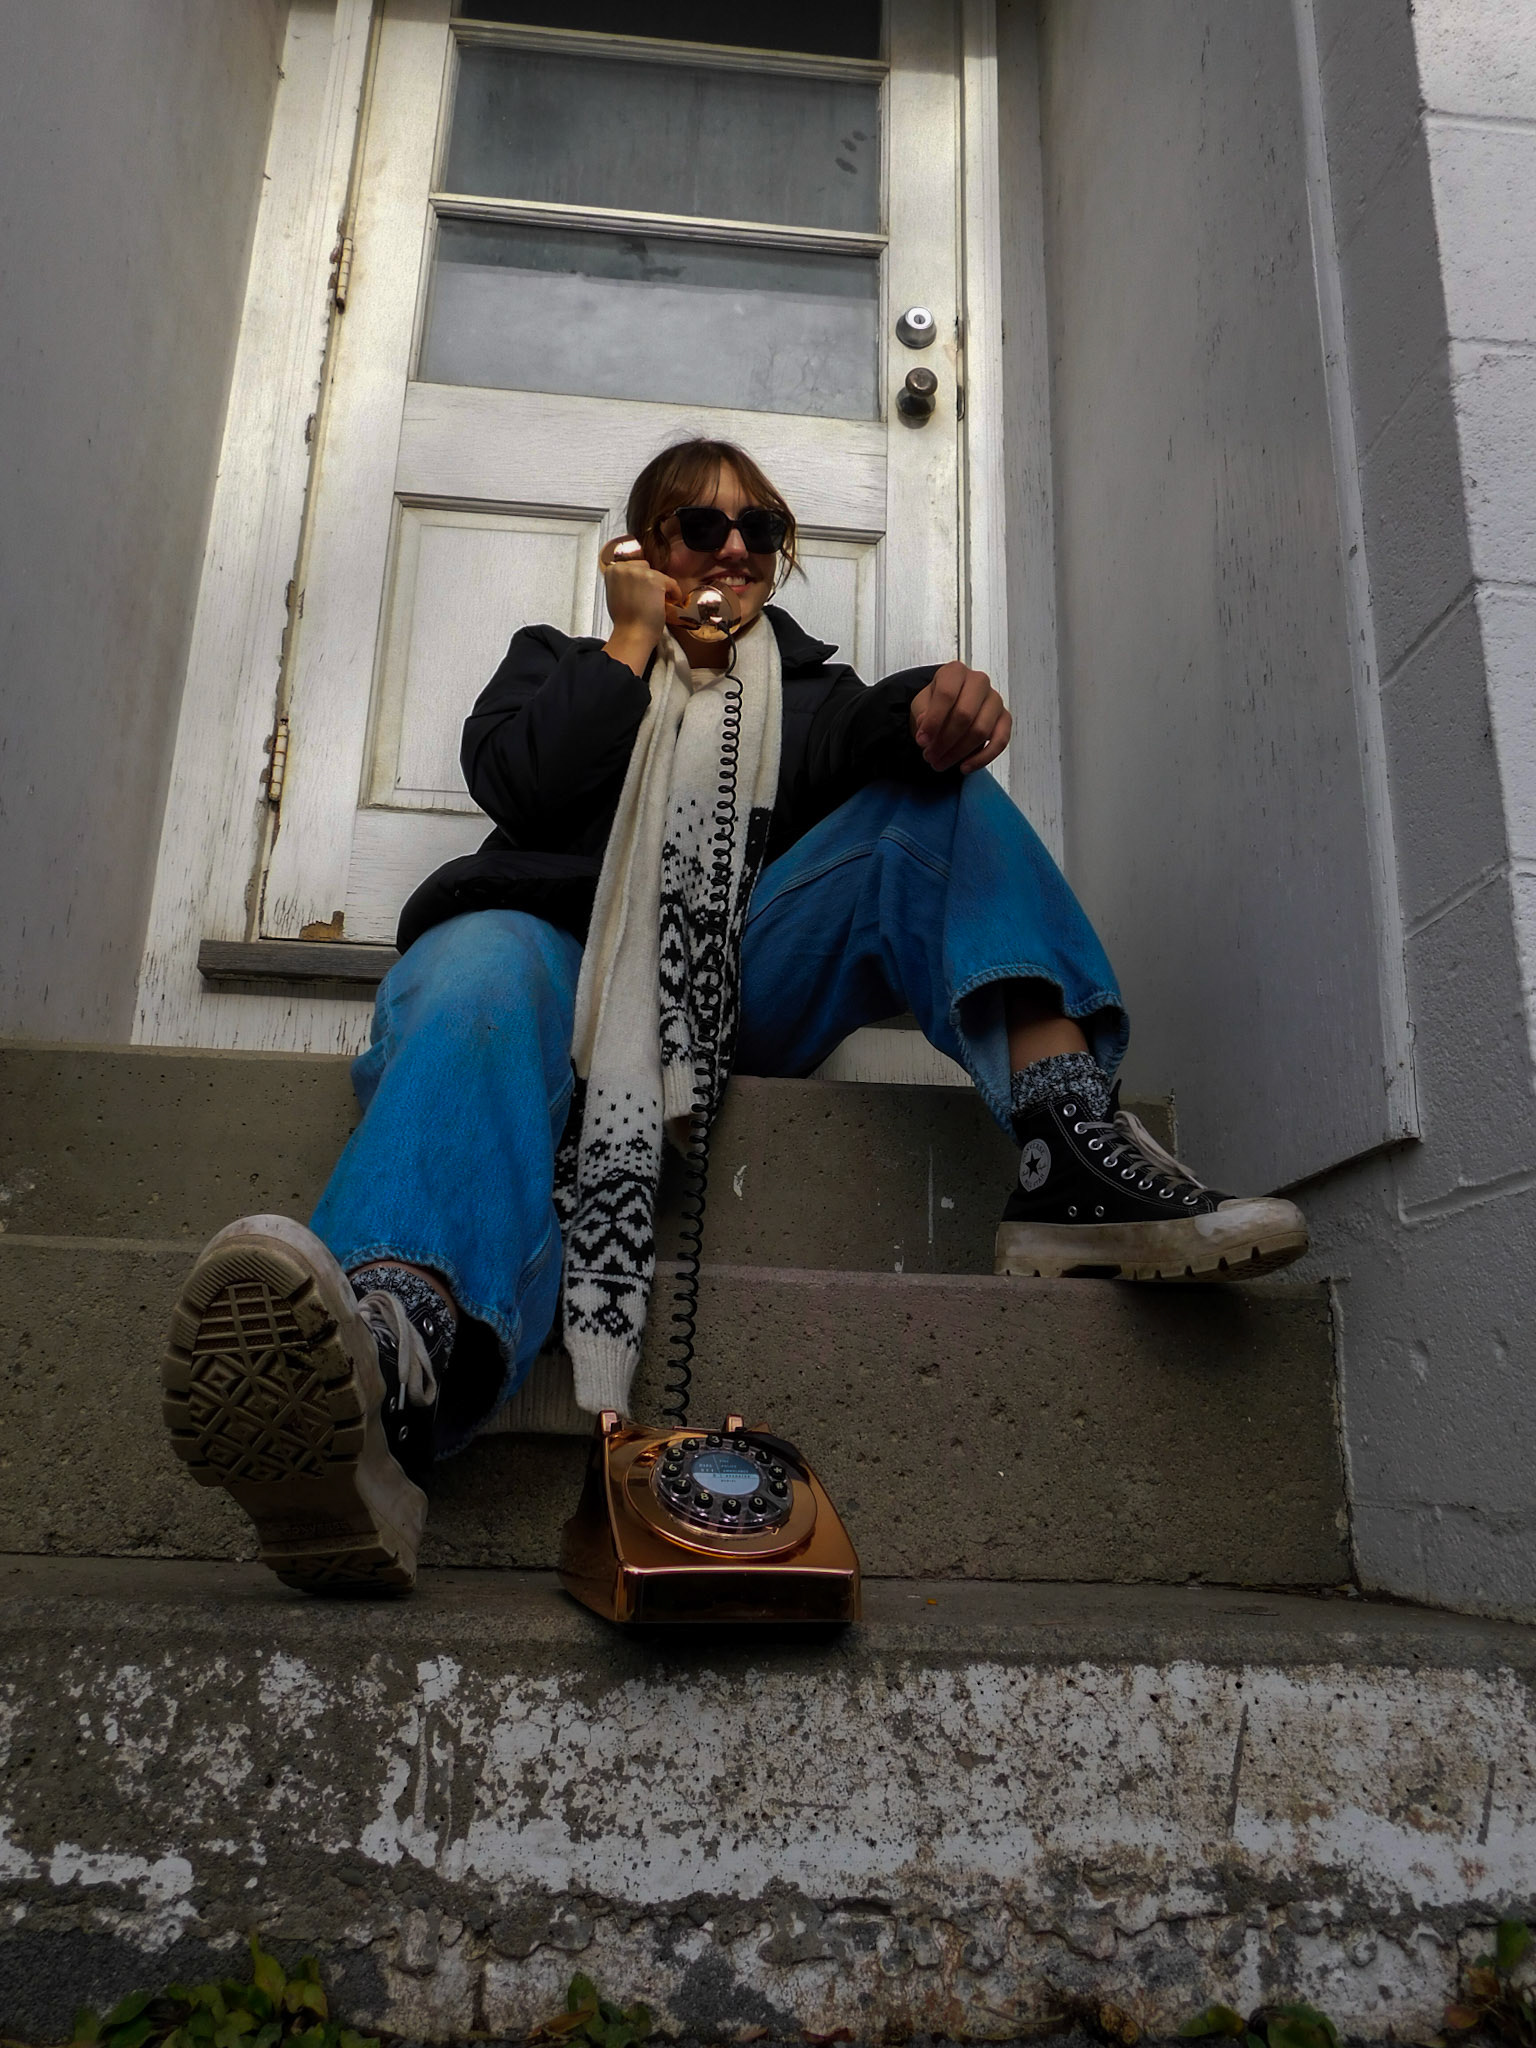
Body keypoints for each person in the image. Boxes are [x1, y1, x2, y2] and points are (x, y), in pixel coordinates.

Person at [161, 438, 1307, 1596]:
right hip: (544, 950)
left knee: (938, 801)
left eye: (760, 528)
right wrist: (630, 640)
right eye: (701, 526)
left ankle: (1069, 1144)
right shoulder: (558, 663)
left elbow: (868, 735)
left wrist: (932, 707)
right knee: (477, 970)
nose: (736, 548)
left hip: (724, 988)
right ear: (642, 548)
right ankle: (383, 1366)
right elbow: (528, 783)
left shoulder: (804, 690)